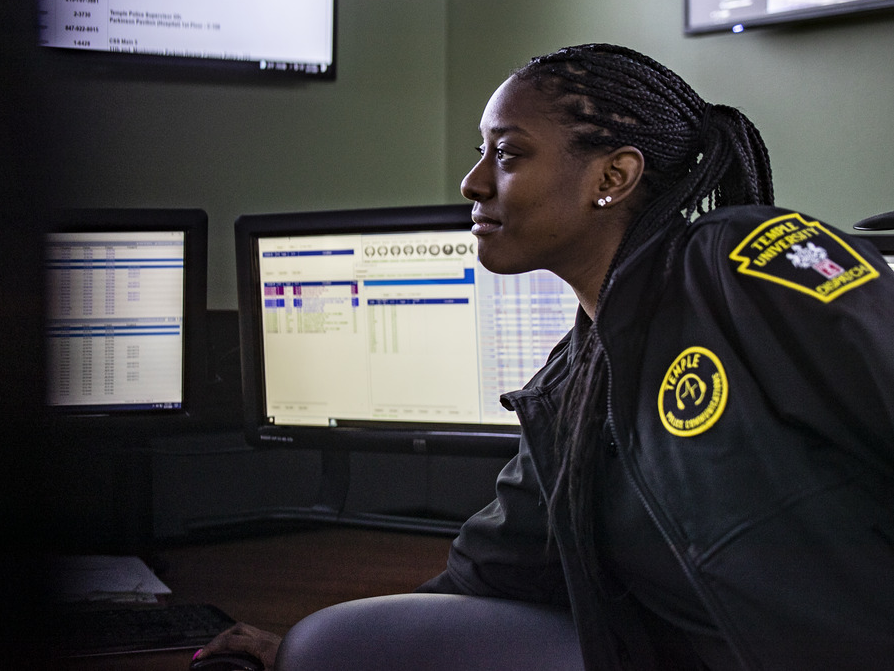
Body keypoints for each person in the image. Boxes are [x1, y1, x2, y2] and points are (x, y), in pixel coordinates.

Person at [194, 43, 894, 670]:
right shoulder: (574, 381)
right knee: (331, 647)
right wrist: (299, 650)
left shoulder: (740, 259)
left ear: (611, 176)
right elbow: (495, 570)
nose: (471, 182)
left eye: (506, 154)